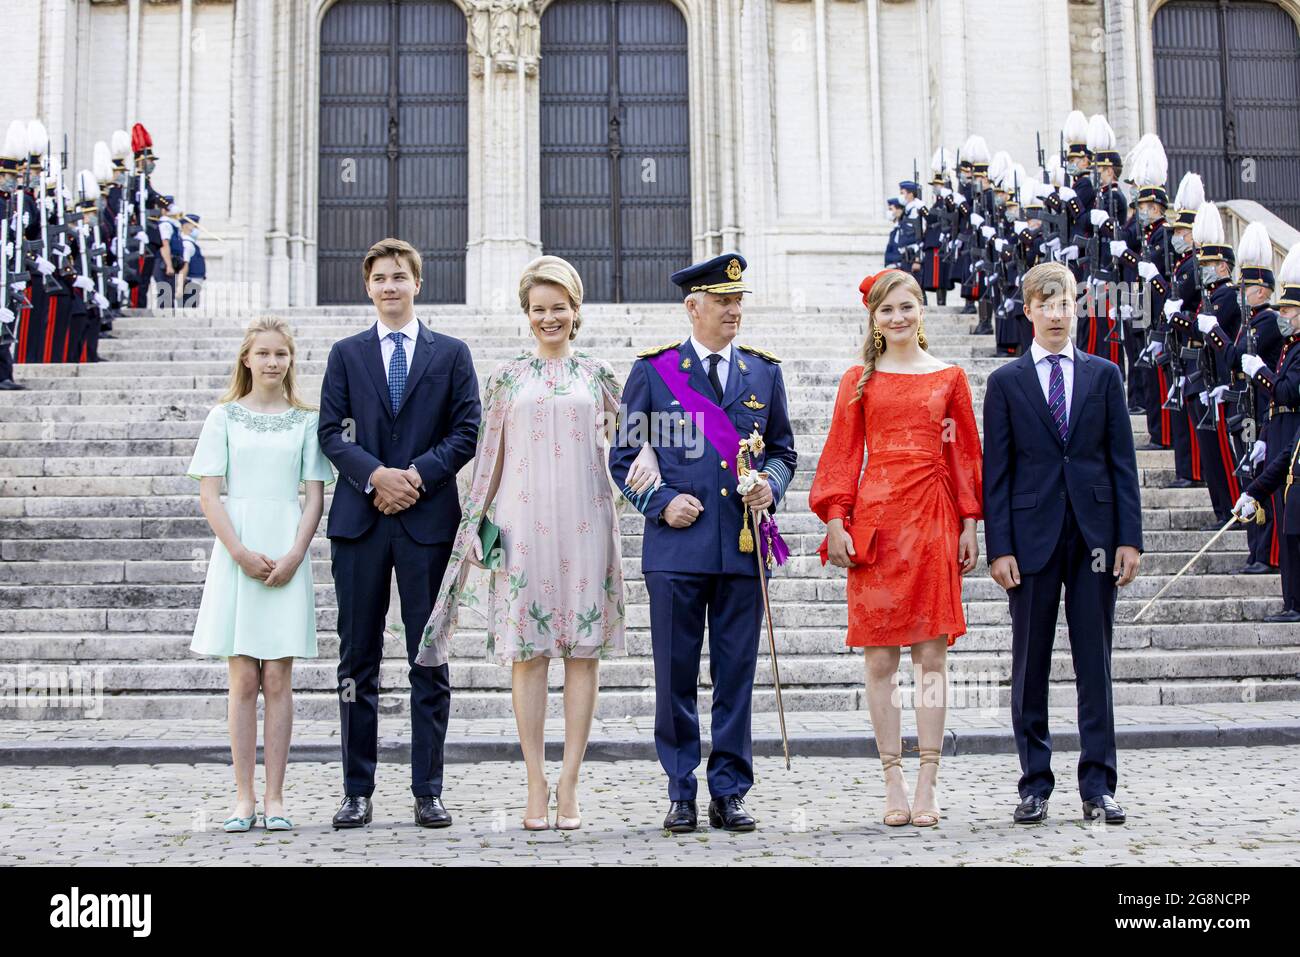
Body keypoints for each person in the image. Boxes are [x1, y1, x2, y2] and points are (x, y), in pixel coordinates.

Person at [417, 255, 660, 830]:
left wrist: (657, 476)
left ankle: (570, 781)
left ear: (576, 311)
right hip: (521, 527)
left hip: (587, 524)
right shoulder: (507, 378)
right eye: (538, 309)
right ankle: (534, 780)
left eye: (559, 308)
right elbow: (489, 457)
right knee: (527, 655)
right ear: (527, 314)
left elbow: (635, 445)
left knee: (582, 653)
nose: (548, 318)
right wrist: (476, 521)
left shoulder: (599, 375)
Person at [608, 252, 798, 834]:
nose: (734, 310)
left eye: (738, 300)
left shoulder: (763, 373)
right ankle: (681, 788)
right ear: (694, 308)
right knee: (675, 673)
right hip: (677, 550)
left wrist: (770, 484)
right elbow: (622, 457)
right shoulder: (656, 371)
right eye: (723, 301)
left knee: (736, 672)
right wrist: (661, 501)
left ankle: (730, 790)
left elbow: (784, 452)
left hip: (741, 546)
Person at [317, 237, 481, 829]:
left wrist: (414, 477)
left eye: (400, 277)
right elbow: (331, 433)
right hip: (360, 526)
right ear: (368, 287)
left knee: (427, 657)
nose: (390, 286)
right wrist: (375, 477)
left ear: (419, 283)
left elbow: (467, 431)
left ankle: (427, 789)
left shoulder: (451, 353)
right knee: (355, 662)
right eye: (380, 278)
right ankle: (356, 789)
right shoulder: (345, 353)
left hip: (427, 522)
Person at [810, 268, 982, 828]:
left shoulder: (950, 377)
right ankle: (893, 778)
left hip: (932, 519)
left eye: (906, 306)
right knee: (880, 658)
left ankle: (929, 780)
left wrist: (970, 522)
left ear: (921, 310)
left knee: (931, 657)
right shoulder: (858, 379)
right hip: (877, 523)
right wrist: (835, 517)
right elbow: (841, 454)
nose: (898, 317)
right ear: (874, 318)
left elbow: (964, 456)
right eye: (887, 310)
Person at [983, 261, 1142, 825]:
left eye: (1066, 303)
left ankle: (1098, 785)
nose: (1056, 314)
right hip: (1031, 540)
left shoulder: (1104, 375)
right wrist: (998, 547)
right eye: (1045, 304)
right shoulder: (1006, 383)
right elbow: (995, 472)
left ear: (1077, 307)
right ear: (1027, 310)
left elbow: (1122, 463)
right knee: (1030, 665)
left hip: (1095, 536)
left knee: (1094, 661)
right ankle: (1035, 783)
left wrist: (1130, 539)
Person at [187, 316, 335, 832]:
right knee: (242, 678)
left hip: (286, 548)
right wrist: (239, 552)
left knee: (278, 677)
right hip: (238, 549)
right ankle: (243, 798)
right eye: (264, 353)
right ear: (247, 359)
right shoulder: (223, 416)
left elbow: (315, 494)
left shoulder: (306, 421)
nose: (272, 362)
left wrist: (296, 553)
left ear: (291, 361)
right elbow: (209, 493)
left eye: (281, 354)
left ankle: (275, 798)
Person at [1234, 242, 1300, 621]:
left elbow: (1288, 390)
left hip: (1294, 429)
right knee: (1283, 512)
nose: (1283, 314)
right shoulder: (1290, 346)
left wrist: (1259, 371)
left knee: (1291, 518)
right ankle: (1291, 599)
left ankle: (1295, 601)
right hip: (1279, 427)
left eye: (1289, 309)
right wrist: (1262, 435)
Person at [179, 213, 206, 309]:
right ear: (186, 226)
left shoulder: (190, 243)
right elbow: (184, 266)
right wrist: (180, 286)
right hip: (189, 283)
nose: (196, 229)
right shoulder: (187, 244)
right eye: (195, 226)